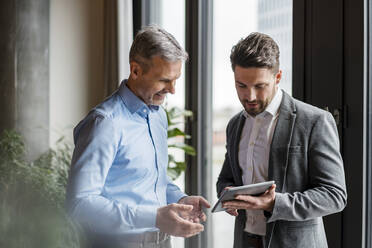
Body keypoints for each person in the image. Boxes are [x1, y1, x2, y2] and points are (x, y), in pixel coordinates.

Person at [66, 25, 210, 248]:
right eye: (164, 80)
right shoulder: (105, 123)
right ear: (135, 70)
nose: (172, 90)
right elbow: (79, 204)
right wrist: (154, 217)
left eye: (176, 79)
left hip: (162, 243)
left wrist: (180, 200)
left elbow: (150, 181)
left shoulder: (158, 116)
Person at [216, 32, 347, 248]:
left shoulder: (314, 121)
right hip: (245, 240)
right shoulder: (234, 124)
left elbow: (334, 195)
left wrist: (275, 203)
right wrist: (226, 195)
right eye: (241, 86)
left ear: (277, 77)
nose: (249, 96)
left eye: (259, 86)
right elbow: (226, 178)